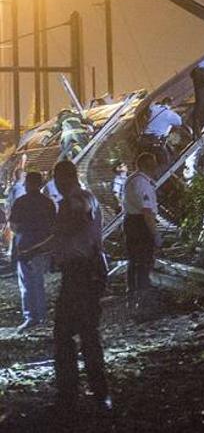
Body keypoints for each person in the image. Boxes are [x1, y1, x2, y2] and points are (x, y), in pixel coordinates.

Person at [23, 160, 109, 410]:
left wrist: (37, 248)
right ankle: (94, 391)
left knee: (68, 334)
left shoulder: (78, 199)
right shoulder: (82, 199)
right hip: (84, 273)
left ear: (62, 178)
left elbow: (70, 227)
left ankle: (73, 393)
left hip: (82, 273)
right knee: (84, 332)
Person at [9, 172, 55, 332]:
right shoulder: (48, 203)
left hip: (25, 247)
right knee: (39, 283)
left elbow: (13, 225)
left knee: (27, 284)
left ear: (27, 184)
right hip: (43, 248)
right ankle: (41, 316)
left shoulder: (21, 202)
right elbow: (53, 227)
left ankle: (31, 317)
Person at [123, 153, 160, 312]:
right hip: (140, 225)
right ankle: (143, 301)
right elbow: (146, 211)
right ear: (147, 165)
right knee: (143, 261)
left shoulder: (132, 179)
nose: (156, 167)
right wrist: (155, 234)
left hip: (131, 222)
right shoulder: (142, 183)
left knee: (134, 260)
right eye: (154, 163)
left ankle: (133, 296)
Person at [139, 97, 183, 169]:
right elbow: (179, 122)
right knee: (166, 162)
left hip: (144, 138)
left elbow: (151, 107)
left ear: (162, 102)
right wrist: (172, 111)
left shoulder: (154, 108)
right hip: (156, 141)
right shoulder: (170, 114)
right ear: (170, 105)